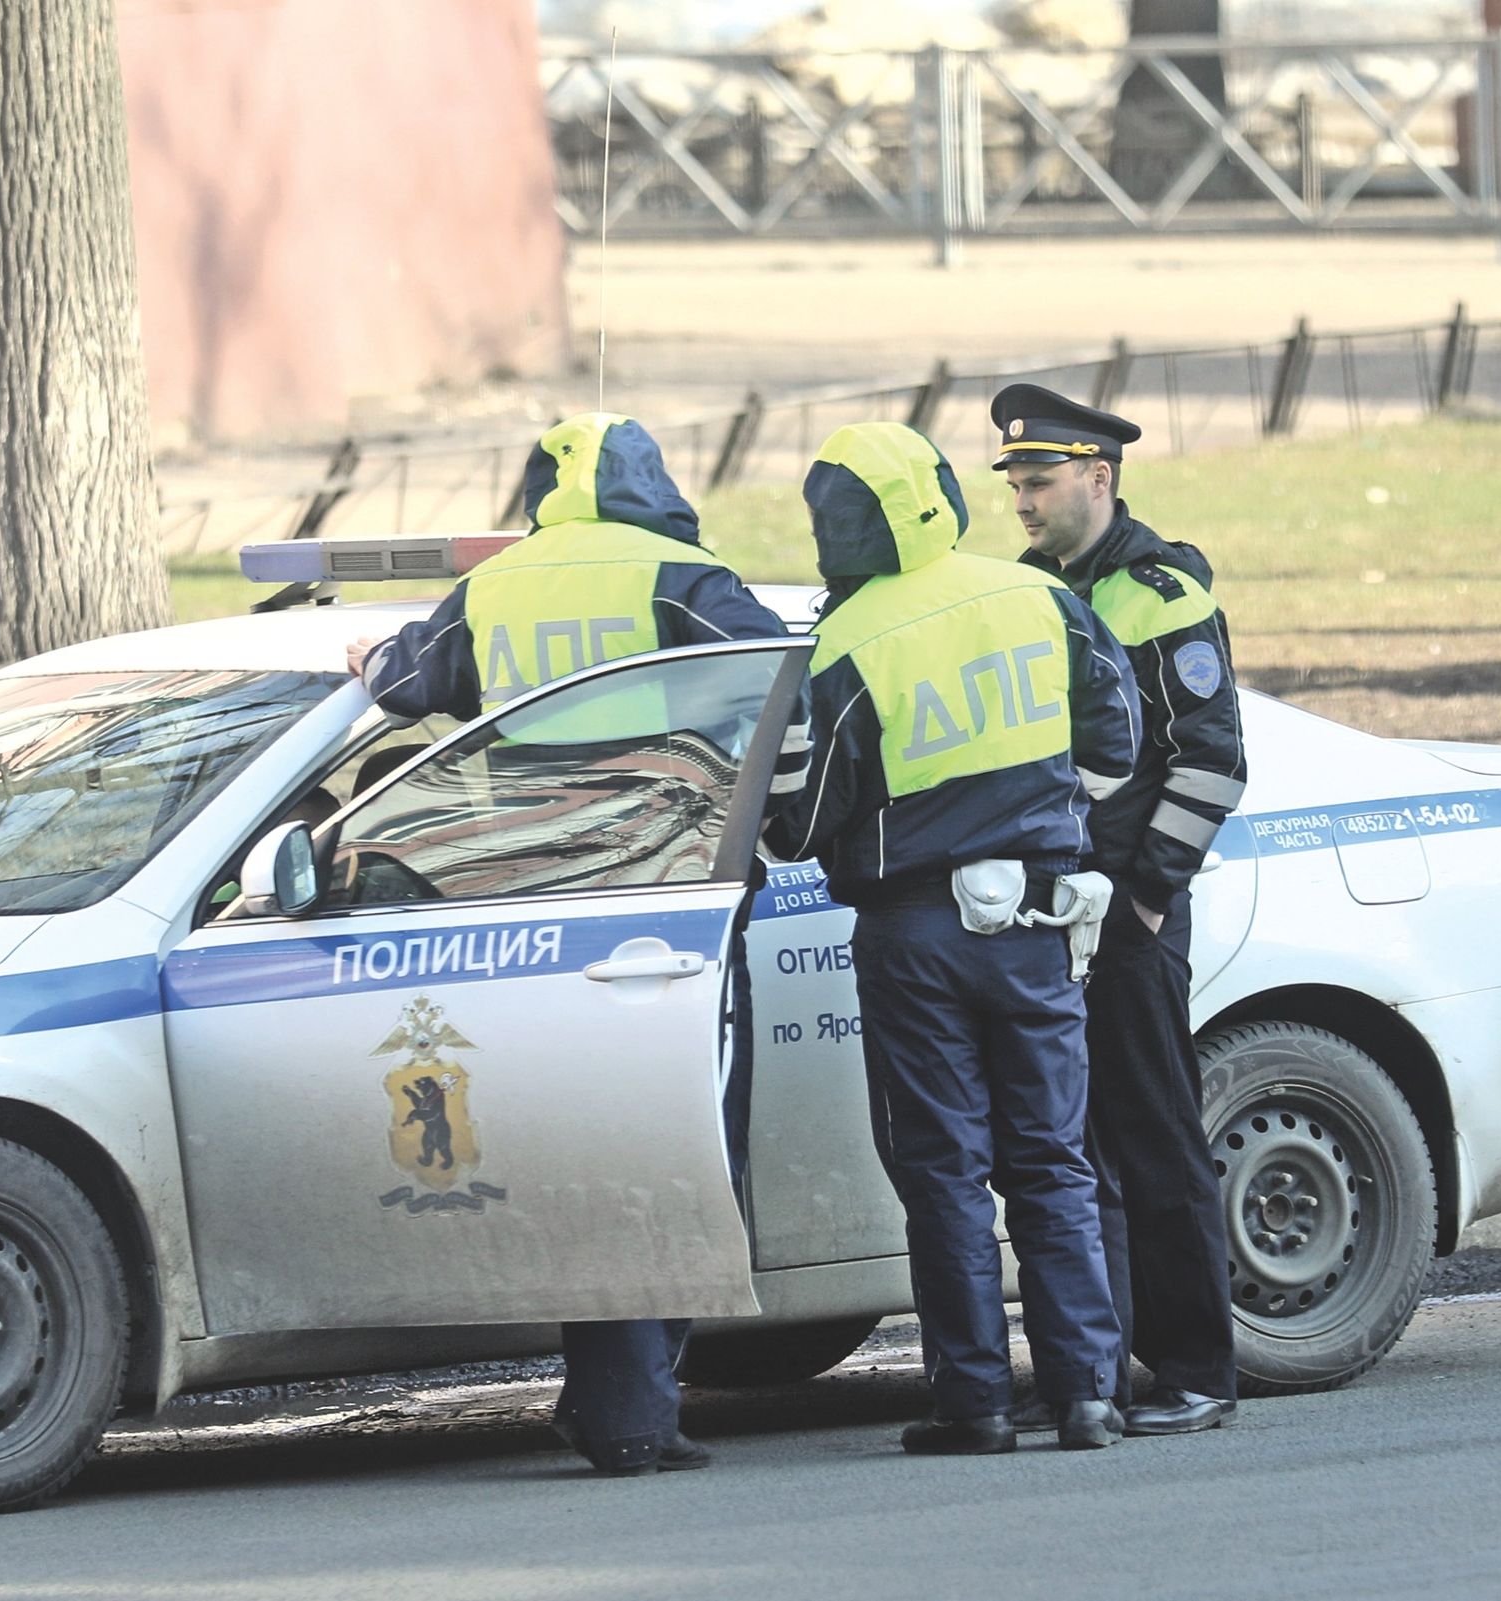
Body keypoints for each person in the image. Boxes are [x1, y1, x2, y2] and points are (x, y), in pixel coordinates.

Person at [347, 410, 801, 1478]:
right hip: (668, 917)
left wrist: (370, 657)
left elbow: (405, 688)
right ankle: (629, 1410)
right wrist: (784, 829)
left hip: (525, 926)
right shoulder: (684, 579)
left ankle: (611, 1398)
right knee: (682, 1152)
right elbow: (786, 696)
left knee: (583, 1157)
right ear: (652, 482)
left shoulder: (494, 587)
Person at [765, 420, 1140, 1454]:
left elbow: (796, 824)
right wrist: (1047, 826)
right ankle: (1087, 1394)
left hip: (914, 933)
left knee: (942, 1171)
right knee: (1052, 1165)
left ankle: (973, 1402)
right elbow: (1117, 744)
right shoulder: (1038, 597)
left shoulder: (844, 640)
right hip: (1034, 921)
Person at [995, 382, 1248, 1437]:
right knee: (1070, 1151)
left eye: (1038, 480)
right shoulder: (1020, 588)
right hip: (1049, 916)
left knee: (1153, 1142)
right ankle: (1103, 1364)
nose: (1021, 498)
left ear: (1097, 477)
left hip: (1130, 920)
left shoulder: (1159, 593)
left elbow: (1213, 763)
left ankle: (1194, 1366)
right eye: (1013, 480)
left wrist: (1146, 899)